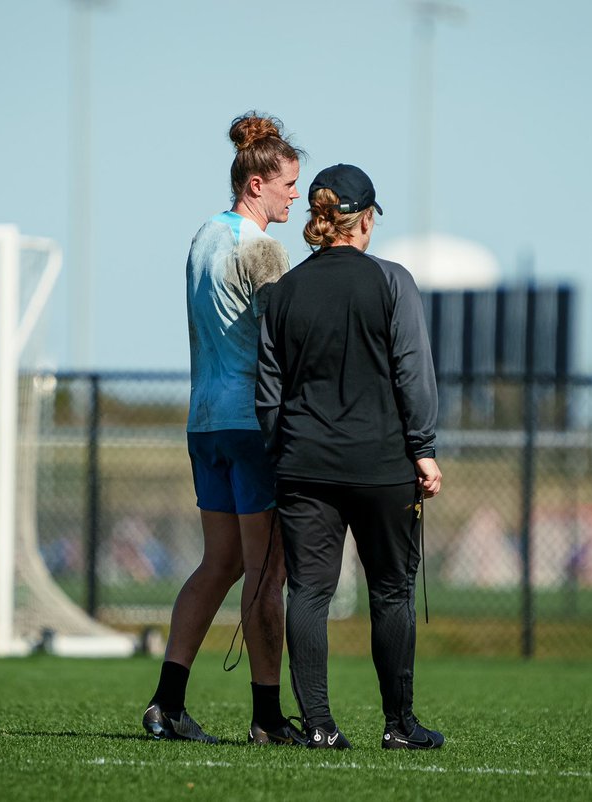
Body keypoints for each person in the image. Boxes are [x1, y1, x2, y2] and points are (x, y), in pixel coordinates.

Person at [256, 164, 445, 750]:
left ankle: (317, 726)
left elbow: (268, 390)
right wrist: (425, 449)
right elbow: (413, 372)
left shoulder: (282, 292)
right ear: (363, 220)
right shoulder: (392, 282)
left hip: (303, 466)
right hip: (383, 465)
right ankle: (398, 726)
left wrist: (281, 450)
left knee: (308, 592)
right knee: (390, 591)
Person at [142, 112, 306, 746]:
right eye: (290, 183)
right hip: (250, 424)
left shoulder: (203, 235)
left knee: (221, 562)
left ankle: (166, 702)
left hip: (203, 423)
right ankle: (267, 717)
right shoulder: (263, 247)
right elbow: (283, 339)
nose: (297, 194)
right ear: (258, 182)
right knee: (268, 572)